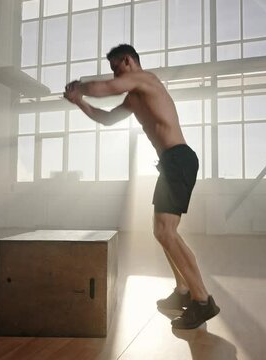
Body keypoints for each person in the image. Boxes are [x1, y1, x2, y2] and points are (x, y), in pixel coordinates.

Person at [63, 44, 219, 329]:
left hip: (178, 158)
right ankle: (184, 291)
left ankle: (202, 301)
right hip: (171, 162)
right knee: (163, 232)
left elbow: (108, 87)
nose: (115, 74)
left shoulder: (145, 79)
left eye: (116, 67)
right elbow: (108, 118)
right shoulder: (134, 99)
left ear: (128, 61)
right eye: (113, 70)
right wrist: (80, 102)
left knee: (165, 231)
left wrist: (79, 87)